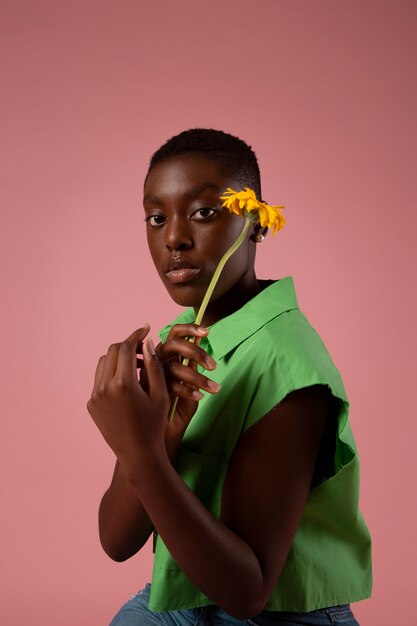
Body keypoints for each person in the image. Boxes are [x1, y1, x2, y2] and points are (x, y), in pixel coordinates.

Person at [87, 129, 372, 626]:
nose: (174, 236)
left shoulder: (289, 366)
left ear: (256, 223)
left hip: (281, 616)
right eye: (157, 218)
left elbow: (247, 593)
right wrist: (160, 438)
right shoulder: (183, 341)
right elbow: (116, 541)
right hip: (181, 602)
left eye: (203, 212)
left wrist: (138, 450)